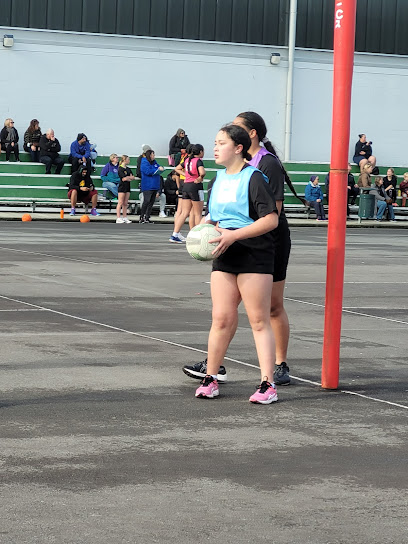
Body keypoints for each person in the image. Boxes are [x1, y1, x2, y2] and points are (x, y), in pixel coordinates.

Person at [183, 111, 294, 387]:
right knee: (221, 317)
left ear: (239, 146)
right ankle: (211, 376)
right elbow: (214, 215)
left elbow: (271, 217)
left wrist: (233, 236)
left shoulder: (258, 174)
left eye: (221, 142)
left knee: (261, 318)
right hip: (225, 252)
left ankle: (268, 382)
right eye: (216, 142)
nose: (215, 147)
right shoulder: (217, 179)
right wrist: (202, 231)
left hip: (255, 252)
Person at [171, 144, 206, 238]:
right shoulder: (198, 161)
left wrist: (186, 175)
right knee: (197, 213)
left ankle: (175, 234)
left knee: (184, 212)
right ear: (200, 152)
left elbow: (177, 168)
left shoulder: (187, 160)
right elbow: (202, 172)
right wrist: (200, 177)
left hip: (186, 186)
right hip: (195, 186)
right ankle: (198, 235)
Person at [139, 149, 164, 223]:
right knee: (146, 201)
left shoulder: (154, 162)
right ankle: (142, 216)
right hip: (148, 185)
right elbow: (147, 171)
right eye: (153, 155)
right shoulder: (144, 162)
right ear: (149, 155)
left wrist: (161, 168)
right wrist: (156, 169)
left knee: (151, 202)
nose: (154, 156)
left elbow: (159, 167)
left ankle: (147, 217)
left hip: (155, 185)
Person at [116, 155, 135, 224]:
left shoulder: (128, 169)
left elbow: (132, 177)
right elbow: (123, 179)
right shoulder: (120, 169)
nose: (129, 161)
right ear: (124, 160)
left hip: (127, 186)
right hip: (122, 187)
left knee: (125, 203)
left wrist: (128, 178)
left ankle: (124, 216)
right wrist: (128, 178)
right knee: (120, 202)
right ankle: (118, 217)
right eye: (128, 159)